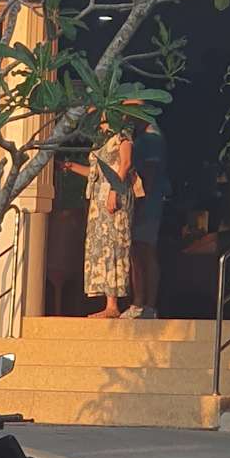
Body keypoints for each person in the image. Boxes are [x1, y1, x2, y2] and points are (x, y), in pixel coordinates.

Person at [66, 124, 136, 319]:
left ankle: (113, 305)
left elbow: (125, 163)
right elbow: (95, 173)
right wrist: (71, 166)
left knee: (113, 244)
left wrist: (115, 190)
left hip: (114, 195)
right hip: (99, 199)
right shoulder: (100, 140)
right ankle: (108, 302)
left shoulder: (122, 135)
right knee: (101, 244)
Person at [126, 118, 170, 319]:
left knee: (143, 250)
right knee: (139, 250)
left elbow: (150, 173)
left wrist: (142, 201)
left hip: (147, 201)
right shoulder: (146, 138)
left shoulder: (151, 139)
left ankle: (143, 303)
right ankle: (143, 303)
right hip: (147, 200)